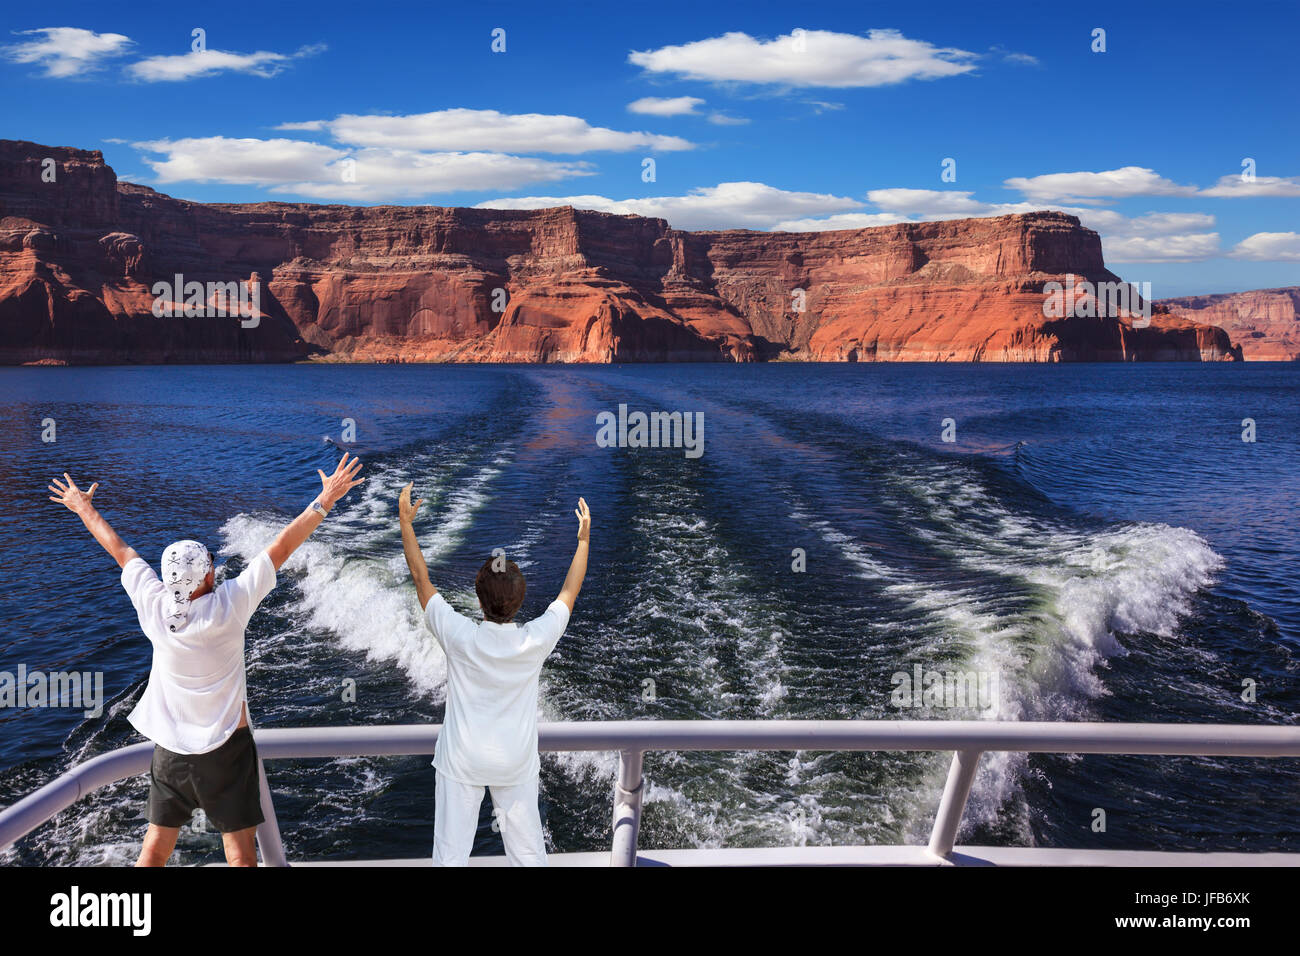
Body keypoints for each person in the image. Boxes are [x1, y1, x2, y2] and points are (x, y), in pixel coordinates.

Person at [47, 454, 365, 866]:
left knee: (155, 848)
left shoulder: (154, 606)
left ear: (165, 578)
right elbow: (282, 546)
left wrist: (82, 506)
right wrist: (325, 499)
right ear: (210, 576)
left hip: (171, 750)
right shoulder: (231, 604)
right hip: (226, 750)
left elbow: (120, 549)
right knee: (239, 854)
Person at [398, 483, 590, 866]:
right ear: (519, 603)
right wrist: (583, 541)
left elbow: (422, 581)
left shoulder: (459, 635)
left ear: (478, 598)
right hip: (514, 762)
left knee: (450, 857)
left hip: (462, 760)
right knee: (529, 856)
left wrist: (406, 522)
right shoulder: (534, 640)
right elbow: (569, 592)